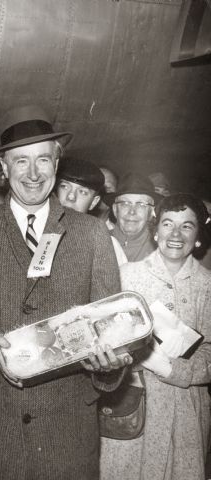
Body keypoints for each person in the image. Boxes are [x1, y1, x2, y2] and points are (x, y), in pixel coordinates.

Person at [0, 105, 128, 479]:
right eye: (21, 161)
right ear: (4, 169)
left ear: (56, 165)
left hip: (68, 432)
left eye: (43, 160)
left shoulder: (92, 235)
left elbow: (111, 329)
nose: (33, 173)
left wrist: (109, 369)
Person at [100, 193, 211, 480]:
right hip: (132, 407)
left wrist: (169, 368)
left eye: (187, 226)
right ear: (155, 229)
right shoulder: (125, 277)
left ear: (198, 235)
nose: (175, 234)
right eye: (167, 224)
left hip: (186, 413)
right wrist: (137, 356)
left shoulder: (207, 286)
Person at [56, 156, 127, 266]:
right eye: (65, 186)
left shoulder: (106, 245)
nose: (71, 196)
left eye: (82, 192)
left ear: (94, 202)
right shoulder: (34, 232)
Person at [104, 173, 160, 262]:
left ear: (151, 212)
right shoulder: (99, 241)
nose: (132, 212)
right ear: (115, 209)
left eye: (141, 204)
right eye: (125, 203)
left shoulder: (160, 250)